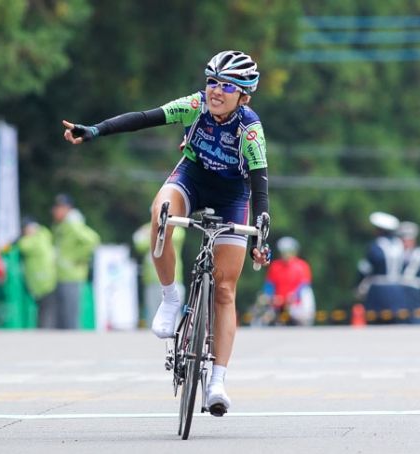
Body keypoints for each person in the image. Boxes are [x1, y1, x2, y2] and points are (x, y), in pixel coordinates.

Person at [62, 50, 271, 416]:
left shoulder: (250, 130)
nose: (215, 91)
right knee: (160, 214)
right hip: (190, 178)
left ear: (244, 96)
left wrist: (260, 233)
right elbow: (144, 118)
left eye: (227, 86)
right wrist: (95, 130)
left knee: (224, 290)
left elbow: (259, 185)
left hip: (232, 196)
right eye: (211, 82)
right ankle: (171, 299)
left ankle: (218, 382)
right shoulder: (196, 106)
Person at [51, 193, 101, 330]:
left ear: (68, 209)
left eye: (60, 207)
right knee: (62, 316)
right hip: (61, 275)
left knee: (70, 316)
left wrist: (77, 258)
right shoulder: (61, 226)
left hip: (72, 275)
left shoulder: (73, 224)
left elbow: (92, 240)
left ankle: (72, 348)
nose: (56, 211)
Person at [132, 219, 185, 328]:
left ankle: (176, 336)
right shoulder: (148, 226)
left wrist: (151, 234)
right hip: (151, 279)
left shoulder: (176, 226)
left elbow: (170, 238)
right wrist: (154, 234)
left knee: (173, 313)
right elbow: (139, 245)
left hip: (173, 278)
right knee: (153, 311)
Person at [355, 212, 405, 323]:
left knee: (375, 322)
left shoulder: (375, 246)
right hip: (397, 289)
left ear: (380, 230)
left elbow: (365, 269)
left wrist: (357, 285)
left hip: (378, 290)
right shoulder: (399, 245)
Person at [262, 236, 315, 326]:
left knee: (307, 295)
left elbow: (305, 286)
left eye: (289, 252)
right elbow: (269, 285)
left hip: (296, 303)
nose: (286, 255)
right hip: (278, 303)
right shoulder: (275, 266)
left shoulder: (302, 265)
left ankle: (305, 319)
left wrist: (294, 296)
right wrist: (272, 297)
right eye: (284, 252)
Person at [17, 216, 58, 328]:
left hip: (41, 280)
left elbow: (23, 246)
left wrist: (18, 239)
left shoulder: (33, 240)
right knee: (47, 309)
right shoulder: (44, 236)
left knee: (44, 310)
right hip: (49, 278)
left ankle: (44, 332)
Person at [396, 221, 420, 323]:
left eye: (408, 240)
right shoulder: (395, 255)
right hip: (397, 293)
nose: (406, 243)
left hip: (415, 295)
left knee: (415, 321)